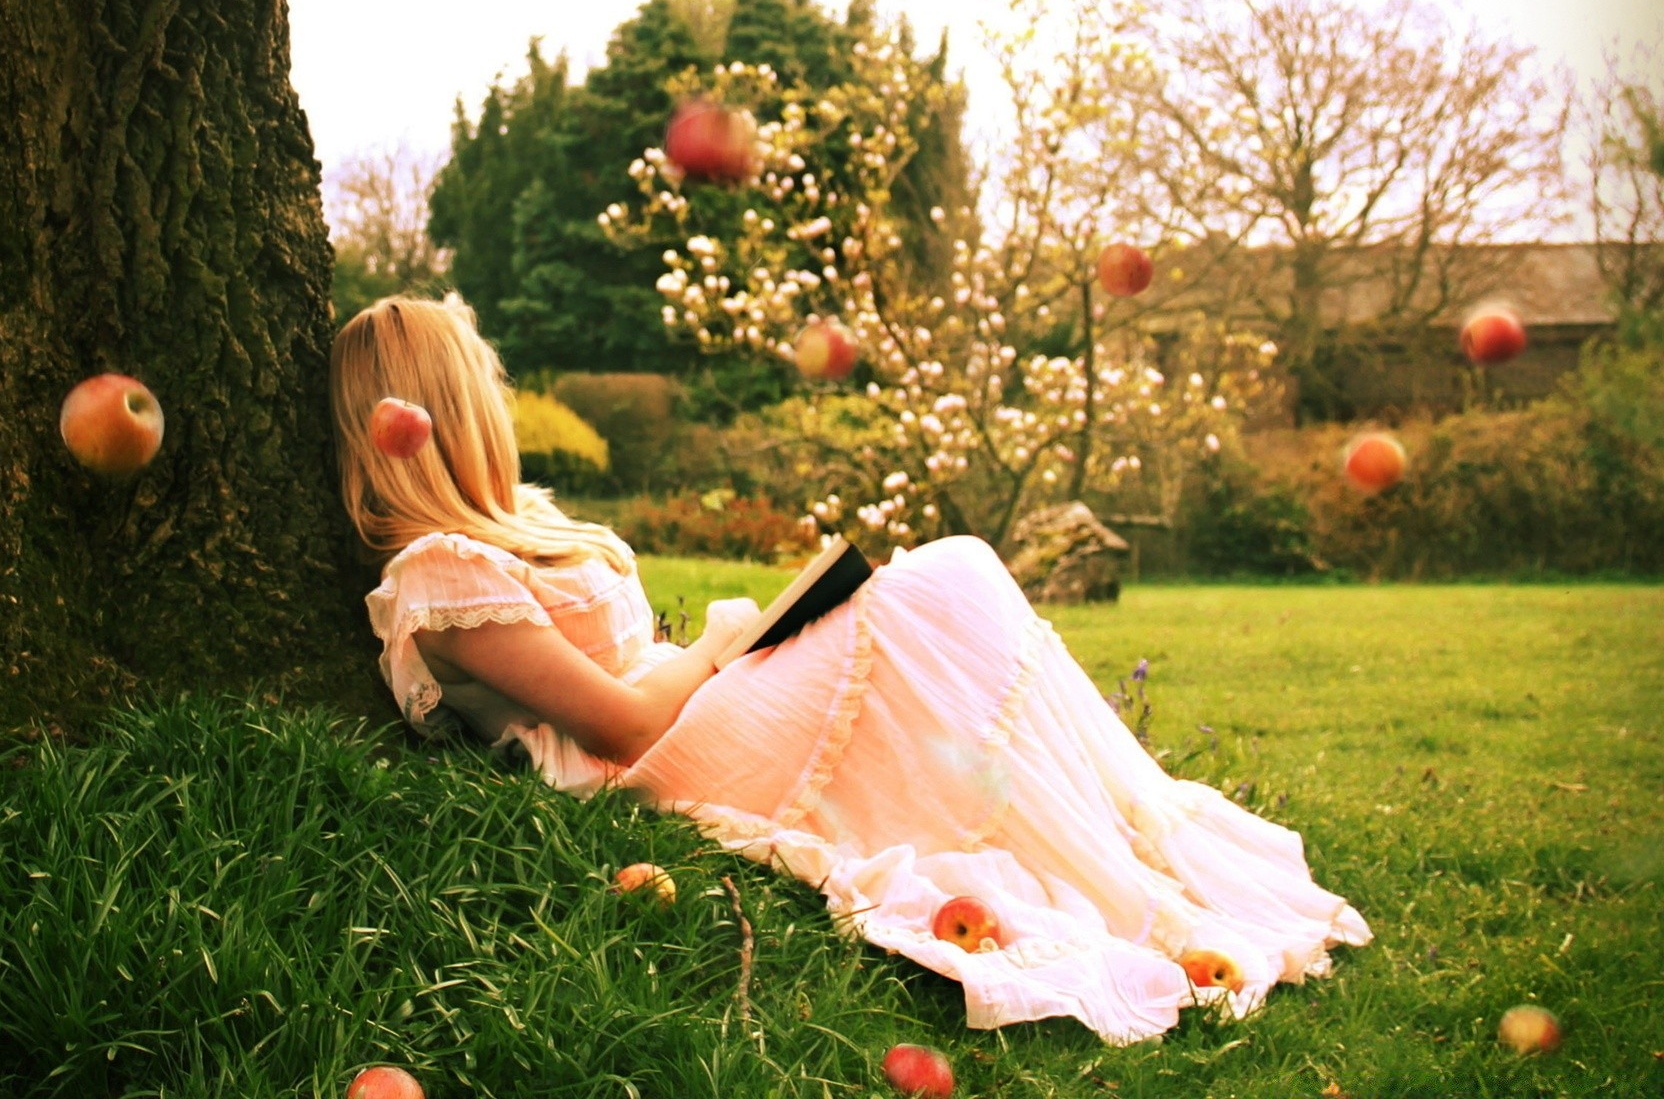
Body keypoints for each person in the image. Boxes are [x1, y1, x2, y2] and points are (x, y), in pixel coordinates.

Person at [331, 295, 1371, 1045]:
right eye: (489, 381)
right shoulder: (437, 578)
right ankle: (1115, 877)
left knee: (936, 584)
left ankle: (1126, 852)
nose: (503, 398)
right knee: (944, 582)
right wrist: (719, 647)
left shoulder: (499, 538)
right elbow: (620, 728)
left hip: (690, 711)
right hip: (663, 756)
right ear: (445, 406)